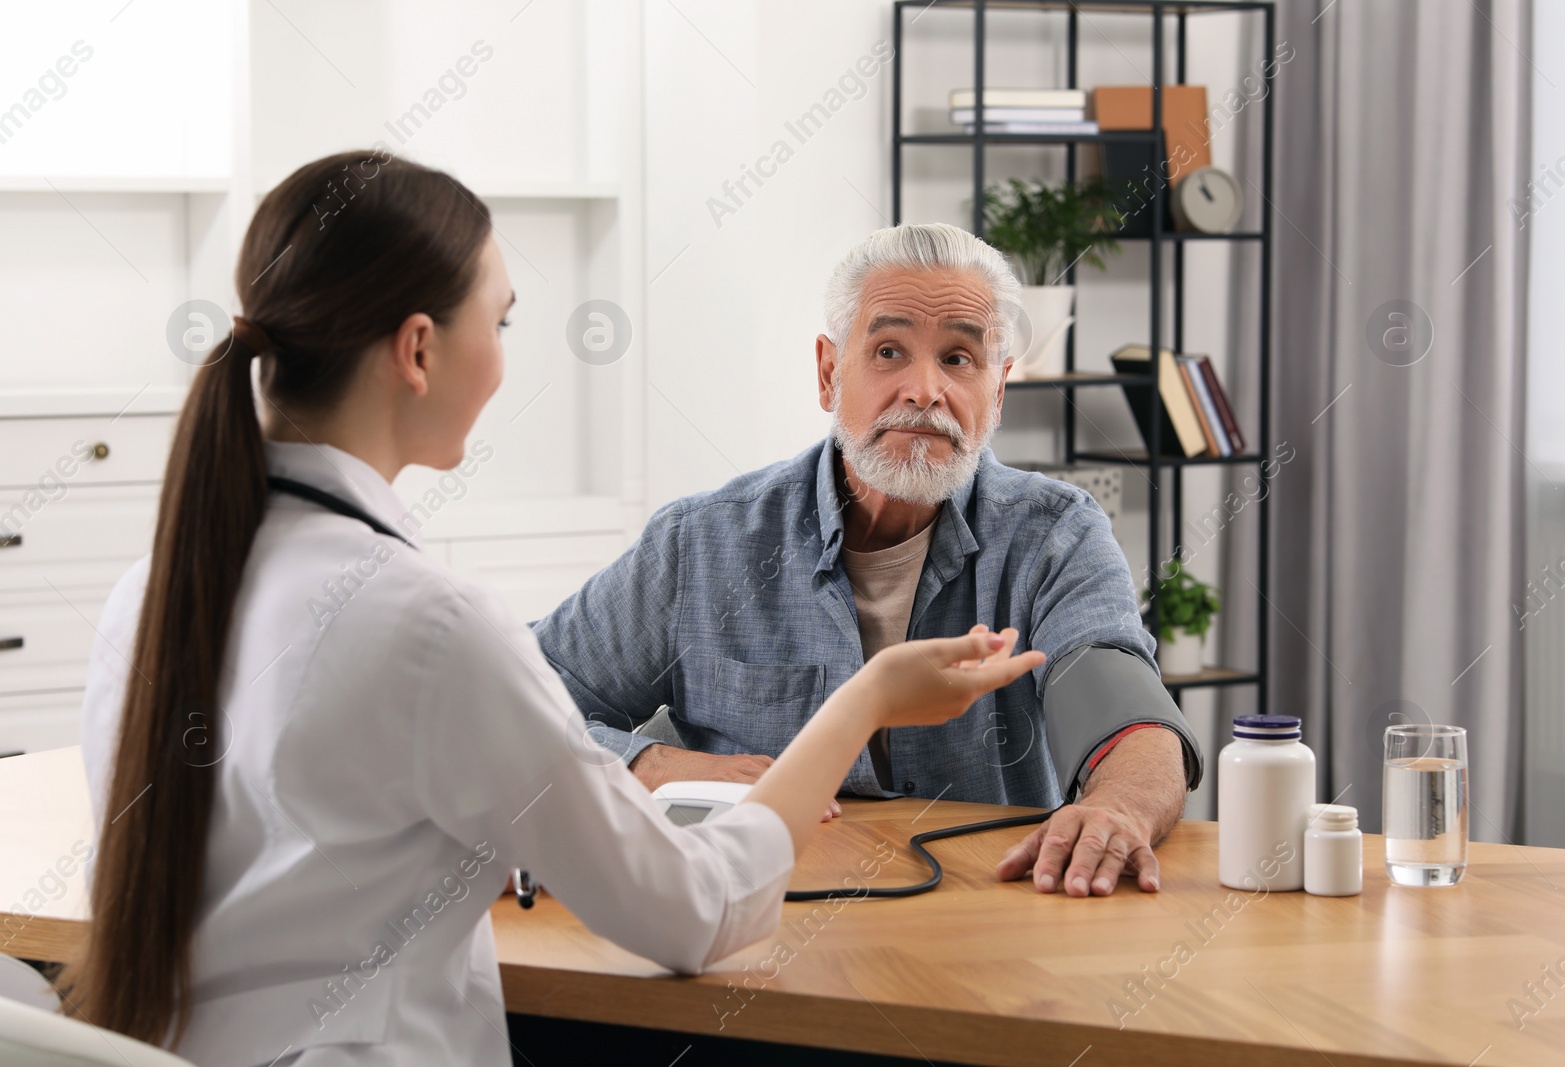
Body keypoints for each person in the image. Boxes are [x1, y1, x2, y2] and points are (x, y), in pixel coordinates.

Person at [63, 152, 1043, 1066]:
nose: (500, 357)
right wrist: (861, 701)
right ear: (417, 349)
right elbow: (695, 913)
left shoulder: (148, 594)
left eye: (960, 358)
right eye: (501, 321)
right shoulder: (428, 625)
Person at [534, 222, 1204, 901]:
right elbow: (521, 703)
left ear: (997, 390)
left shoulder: (1055, 536)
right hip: (751, 924)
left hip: (987, 930)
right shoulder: (700, 544)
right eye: (889, 351)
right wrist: (651, 763)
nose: (924, 390)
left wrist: (1118, 807)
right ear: (829, 373)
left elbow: (1132, 719)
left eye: (959, 359)